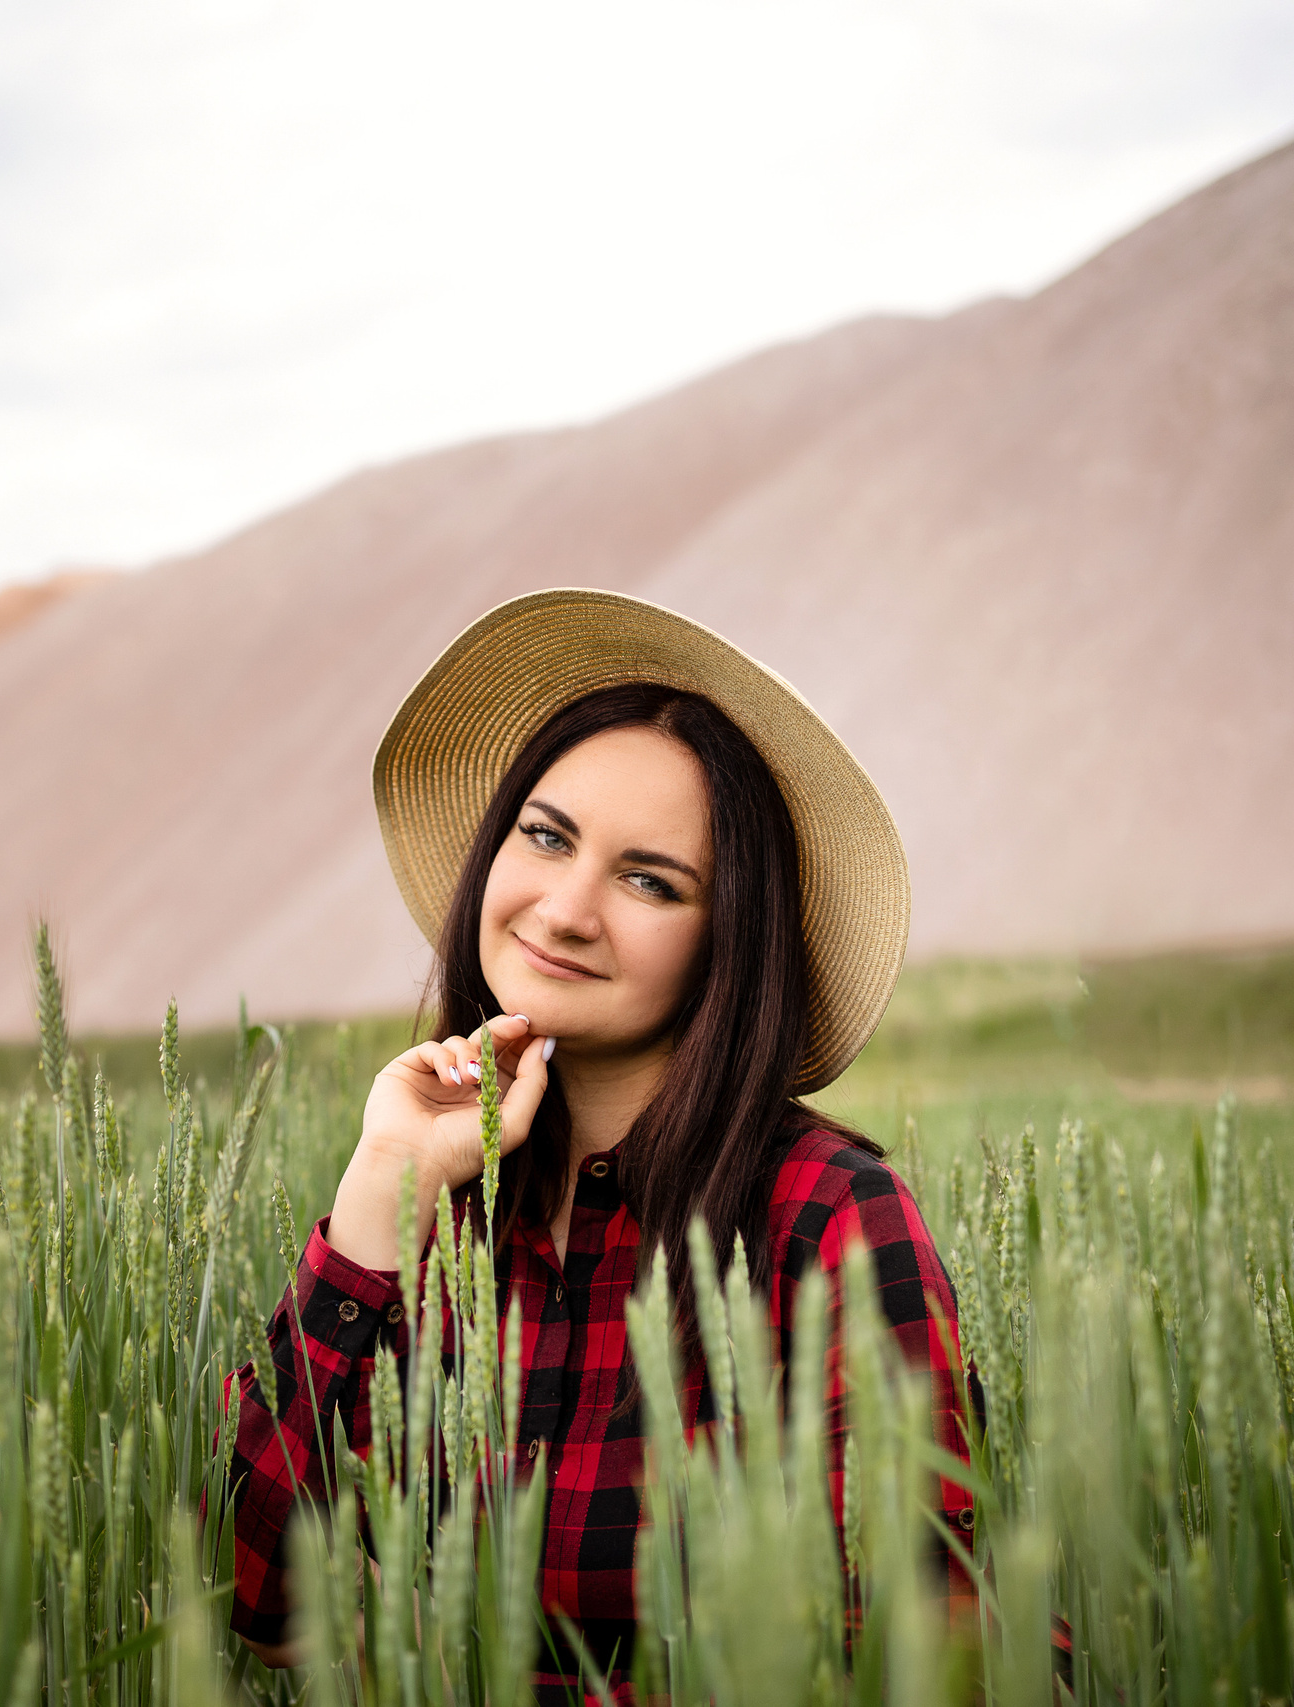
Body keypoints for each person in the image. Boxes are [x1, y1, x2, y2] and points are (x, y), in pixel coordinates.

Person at [222, 589, 977, 1697]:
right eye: (545, 836)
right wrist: (384, 1194)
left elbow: (933, 1645)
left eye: (647, 880)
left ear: (726, 943)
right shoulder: (445, 1215)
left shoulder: (822, 1217)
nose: (565, 908)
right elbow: (260, 1606)